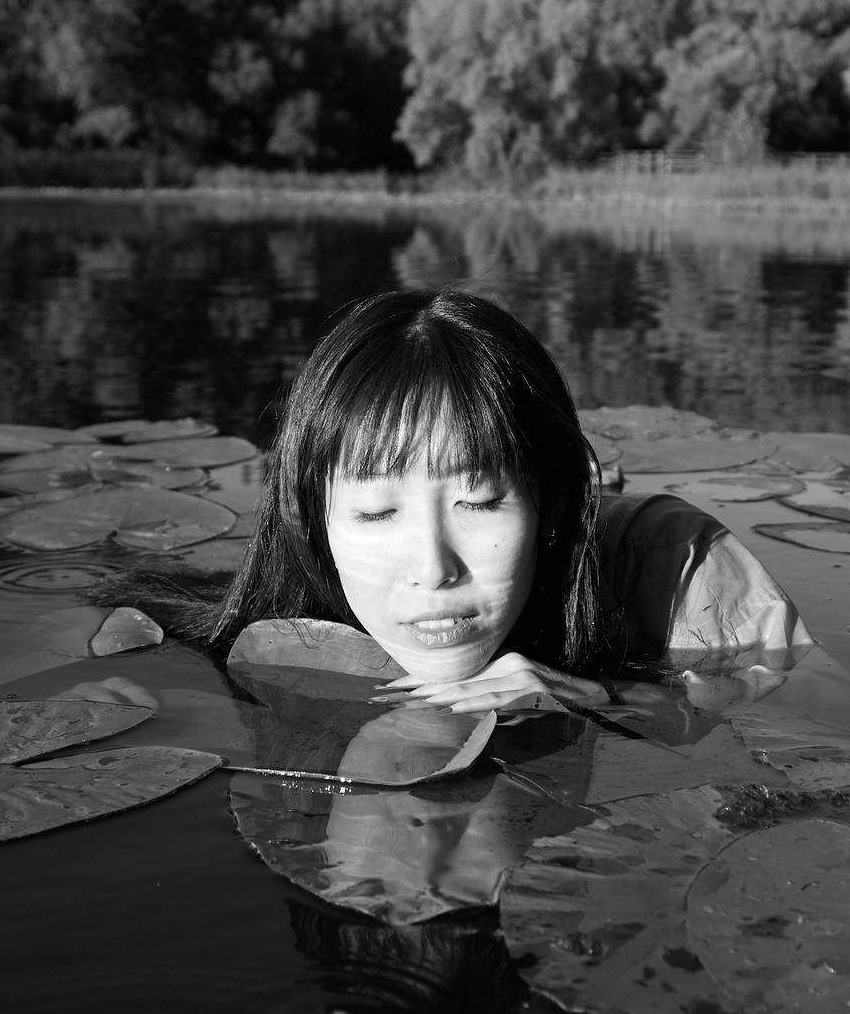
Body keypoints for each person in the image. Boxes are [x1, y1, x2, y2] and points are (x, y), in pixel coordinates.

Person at [205, 287, 816, 713]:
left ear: (548, 501)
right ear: (314, 524)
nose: (433, 569)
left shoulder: (672, 563)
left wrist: (601, 699)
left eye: (477, 502)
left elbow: (833, 727)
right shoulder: (268, 635)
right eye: (376, 513)